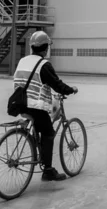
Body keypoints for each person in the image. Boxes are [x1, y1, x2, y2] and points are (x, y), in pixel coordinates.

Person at [13, 30, 78, 182]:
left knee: (40, 127)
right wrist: (70, 90)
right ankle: (48, 171)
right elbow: (57, 84)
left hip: (20, 103)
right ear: (45, 48)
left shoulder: (23, 61)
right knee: (48, 133)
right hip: (35, 106)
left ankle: (38, 150)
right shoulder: (43, 65)